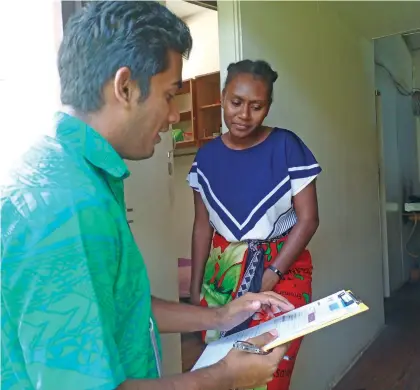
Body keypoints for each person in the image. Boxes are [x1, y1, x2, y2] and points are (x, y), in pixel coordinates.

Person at [0, 3, 296, 390]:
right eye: (170, 94)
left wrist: (219, 316)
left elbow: (124, 304)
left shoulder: (79, 174)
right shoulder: (66, 207)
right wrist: (224, 376)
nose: (175, 115)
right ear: (125, 87)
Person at [188, 59, 321, 390]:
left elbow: (309, 219)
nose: (243, 115)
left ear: (268, 107)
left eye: (256, 106)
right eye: (236, 103)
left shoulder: (287, 146)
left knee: (268, 371)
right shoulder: (205, 158)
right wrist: (193, 291)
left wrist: (272, 273)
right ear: (222, 97)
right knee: (221, 371)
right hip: (222, 271)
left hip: (283, 266)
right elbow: (202, 227)